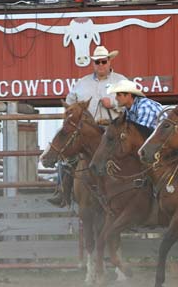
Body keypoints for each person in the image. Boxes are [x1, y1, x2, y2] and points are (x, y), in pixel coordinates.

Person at [48, 46, 127, 207]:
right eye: (97, 62)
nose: (100, 65)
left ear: (109, 61)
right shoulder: (81, 84)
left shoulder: (121, 81)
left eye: (103, 61)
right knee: (65, 153)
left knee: (130, 154)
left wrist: (113, 104)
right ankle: (62, 191)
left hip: (114, 129)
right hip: (87, 131)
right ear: (93, 63)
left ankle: (138, 189)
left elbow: (133, 103)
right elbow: (69, 105)